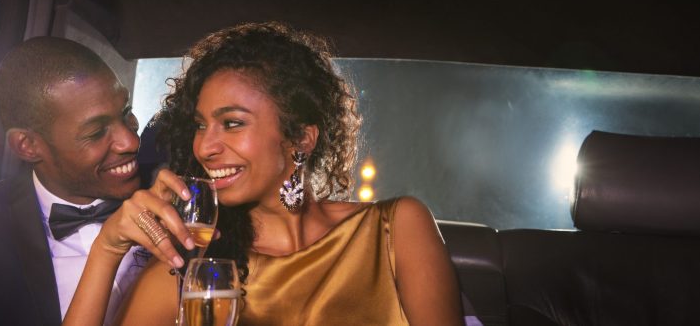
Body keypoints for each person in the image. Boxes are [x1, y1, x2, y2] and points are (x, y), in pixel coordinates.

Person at [64, 22, 464, 325]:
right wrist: (107, 250)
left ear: (300, 139)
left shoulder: (396, 229)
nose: (204, 147)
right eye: (201, 125)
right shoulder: (198, 273)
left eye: (233, 123)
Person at [0, 37, 148, 326]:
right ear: (28, 146)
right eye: (96, 132)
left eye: (126, 114)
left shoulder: (175, 196)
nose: (130, 141)